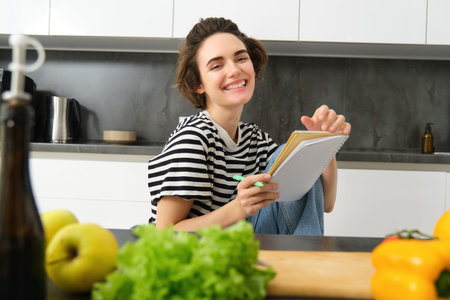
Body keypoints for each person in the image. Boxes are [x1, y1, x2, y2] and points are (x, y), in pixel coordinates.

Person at [148, 17, 351, 235]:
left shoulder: (255, 140)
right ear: (198, 84)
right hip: (195, 256)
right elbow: (164, 233)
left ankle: (302, 262)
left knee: (294, 155)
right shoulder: (193, 140)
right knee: (286, 154)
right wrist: (239, 208)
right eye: (217, 65)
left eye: (241, 58)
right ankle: (305, 263)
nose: (234, 70)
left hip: (240, 247)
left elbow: (324, 204)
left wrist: (323, 142)